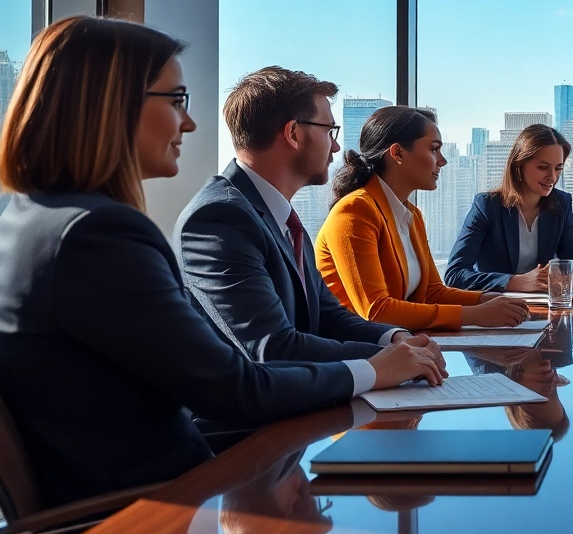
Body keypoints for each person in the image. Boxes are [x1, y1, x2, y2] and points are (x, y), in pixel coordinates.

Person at [0, 17, 441, 508]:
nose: (188, 123)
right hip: (161, 508)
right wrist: (376, 370)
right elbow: (237, 387)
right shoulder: (99, 236)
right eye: (176, 101)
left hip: (178, 489)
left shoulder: (43, 220)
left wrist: (388, 344)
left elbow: (316, 315)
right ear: (111, 105)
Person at [176, 66, 442, 365]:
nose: (337, 146)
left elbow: (328, 315)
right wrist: (388, 358)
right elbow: (273, 347)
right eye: (329, 131)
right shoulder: (220, 218)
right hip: (263, 409)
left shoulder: (278, 213)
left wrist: (393, 337)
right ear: (293, 133)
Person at [316, 105, 528, 331]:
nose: (442, 160)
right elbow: (377, 312)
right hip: (354, 351)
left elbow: (432, 292)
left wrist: (488, 301)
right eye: (434, 149)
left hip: (397, 344)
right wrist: (475, 315)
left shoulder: (412, 215)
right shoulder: (354, 211)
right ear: (397, 153)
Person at [445, 124, 573, 292]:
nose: (552, 177)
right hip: (495, 310)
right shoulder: (487, 206)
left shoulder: (562, 204)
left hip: (543, 309)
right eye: (542, 167)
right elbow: (455, 274)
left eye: (558, 168)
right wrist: (515, 282)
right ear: (519, 165)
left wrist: (569, 278)